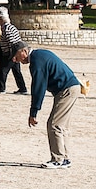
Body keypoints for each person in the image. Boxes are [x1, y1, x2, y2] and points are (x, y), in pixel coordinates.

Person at [10, 41, 81, 169]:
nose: (15, 60)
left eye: (16, 56)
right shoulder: (40, 54)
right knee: (62, 125)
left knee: (54, 124)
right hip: (71, 87)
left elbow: (38, 87)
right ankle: (65, 158)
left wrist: (34, 112)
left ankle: (57, 159)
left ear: (24, 52)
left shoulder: (37, 61)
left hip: (66, 89)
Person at [0, 7, 28, 94]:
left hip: (10, 53)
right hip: (15, 52)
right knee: (17, 72)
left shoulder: (6, 28)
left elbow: (12, 42)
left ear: (2, 20)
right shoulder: (12, 27)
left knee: (3, 71)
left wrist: (13, 55)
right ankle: (22, 88)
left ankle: (1, 88)